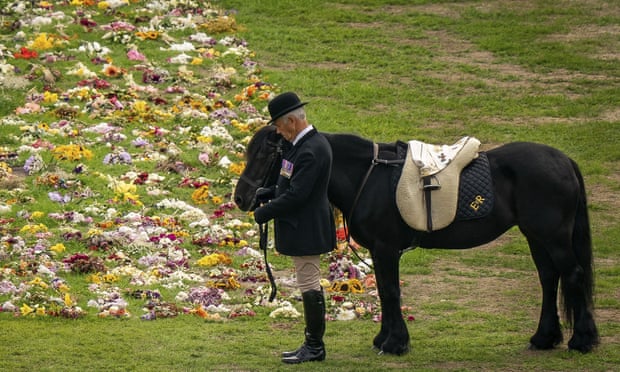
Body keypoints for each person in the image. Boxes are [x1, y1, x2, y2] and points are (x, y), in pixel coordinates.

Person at [253, 92, 336, 364]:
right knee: (306, 282)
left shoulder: (311, 150)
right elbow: (288, 182)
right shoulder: (301, 145)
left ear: (291, 120)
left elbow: (298, 195)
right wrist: (268, 192)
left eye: (278, 125)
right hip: (303, 224)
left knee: (309, 283)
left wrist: (265, 212)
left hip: (307, 226)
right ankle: (312, 344)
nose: (278, 131)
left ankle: (314, 346)